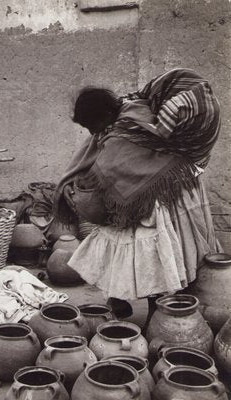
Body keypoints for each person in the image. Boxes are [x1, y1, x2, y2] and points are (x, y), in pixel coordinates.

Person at [54, 68, 221, 327]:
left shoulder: (128, 124)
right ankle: (119, 300)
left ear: (105, 115)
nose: (90, 132)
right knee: (123, 248)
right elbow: (97, 155)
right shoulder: (121, 115)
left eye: (90, 125)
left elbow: (119, 162)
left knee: (150, 254)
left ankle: (155, 311)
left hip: (156, 199)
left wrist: (100, 182)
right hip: (137, 197)